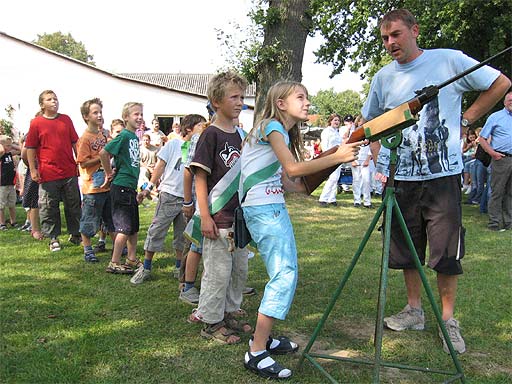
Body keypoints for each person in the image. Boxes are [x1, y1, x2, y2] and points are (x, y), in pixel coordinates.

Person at [363, 9, 510, 354]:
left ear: (414, 31)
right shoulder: (383, 78)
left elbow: (500, 83)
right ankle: (414, 311)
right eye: (385, 38)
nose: (390, 43)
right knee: (406, 249)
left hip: (443, 177)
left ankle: (448, 320)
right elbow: (371, 123)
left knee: (445, 252)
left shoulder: (449, 61)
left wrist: (468, 118)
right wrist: (380, 158)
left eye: (396, 35)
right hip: (401, 179)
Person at [239, 81, 362, 379]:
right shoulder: (272, 127)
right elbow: (294, 170)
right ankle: (256, 351)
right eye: (300, 97)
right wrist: (338, 157)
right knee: (284, 275)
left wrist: (326, 165)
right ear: (281, 103)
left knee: (283, 272)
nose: (307, 103)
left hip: (268, 207)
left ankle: (264, 337)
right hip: (265, 210)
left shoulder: (271, 129)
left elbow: (292, 184)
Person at [186, 71, 250, 344]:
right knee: (217, 272)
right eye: (234, 97)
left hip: (239, 217)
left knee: (238, 270)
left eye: (241, 96)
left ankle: (229, 311)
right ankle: (211, 322)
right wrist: (205, 216)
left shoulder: (241, 135)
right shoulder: (209, 135)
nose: (240, 102)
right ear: (216, 101)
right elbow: (200, 177)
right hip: (218, 216)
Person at [130, 114, 206, 285]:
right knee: (157, 231)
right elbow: (161, 165)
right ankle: (146, 267)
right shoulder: (173, 144)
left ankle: (179, 267)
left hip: (189, 199)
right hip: (169, 195)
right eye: (201, 126)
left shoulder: (201, 147)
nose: (204, 129)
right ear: (189, 129)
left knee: (183, 236)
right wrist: (149, 186)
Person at [25, 90, 82, 252]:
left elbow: (75, 143)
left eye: (55, 99)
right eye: (49, 100)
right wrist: (33, 169)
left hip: (69, 171)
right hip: (48, 173)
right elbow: (30, 148)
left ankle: (75, 233)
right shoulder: (36, 123)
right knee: (49, 207)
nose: (54, 102)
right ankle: (53, 237)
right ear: (42, 105)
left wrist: (80, 162)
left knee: (73, 204)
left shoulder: (66, 120)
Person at [99, 102, 144, 274]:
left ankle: (131, 259)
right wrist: (108, 173)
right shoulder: (124, 135)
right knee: (124, 228)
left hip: (130, 187)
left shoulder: (133, 137)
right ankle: (114, 261)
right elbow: (104, 153)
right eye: (135, 114)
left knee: (133, 227)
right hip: (121, 187)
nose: (139, 117)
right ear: (126, 117)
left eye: (141, 114)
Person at [76, 98, 115, 262]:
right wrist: (101, 158)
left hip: (106, 185)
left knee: (110, 218)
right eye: (95, 112)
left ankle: (118, 246)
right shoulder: (85, 139)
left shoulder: (102, 134)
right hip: (92, 187)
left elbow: (108, 153)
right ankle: (88, 249)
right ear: (86, 116)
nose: (99, 115)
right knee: (90, 220)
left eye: (100, 112)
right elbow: (83, 162)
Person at [478, 91, 512, 231]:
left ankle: (509, 223)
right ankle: (494, 223)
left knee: (511, 193)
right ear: (504, 102)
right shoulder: (496, 117)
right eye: (510, 100)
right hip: (501, 159)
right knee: (497, 191)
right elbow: (482, 138)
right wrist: (493, 153)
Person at [318, 113, 343, 206]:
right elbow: (324, 145)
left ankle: (332, 199)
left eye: (338, 120)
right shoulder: (326, 131)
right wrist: (327, 156)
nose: (337, 122)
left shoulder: (337, 132)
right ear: (330, 121)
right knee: (332, 178)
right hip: (330, 157)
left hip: (338, 156)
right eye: (335, 120)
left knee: (336, 178)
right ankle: (323, 198)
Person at [0, 135, 20, 229]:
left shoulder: (9, 154)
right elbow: (2, 151)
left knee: (12, 204)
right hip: (2, 184)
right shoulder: (2, 154)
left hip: (11, 183)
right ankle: (2, 223)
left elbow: (20, 150)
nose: (10, 147)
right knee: (1, 205)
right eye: (7, 145)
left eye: (10, 145)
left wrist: (11, 144)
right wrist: (2, 145)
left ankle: (13, 221)